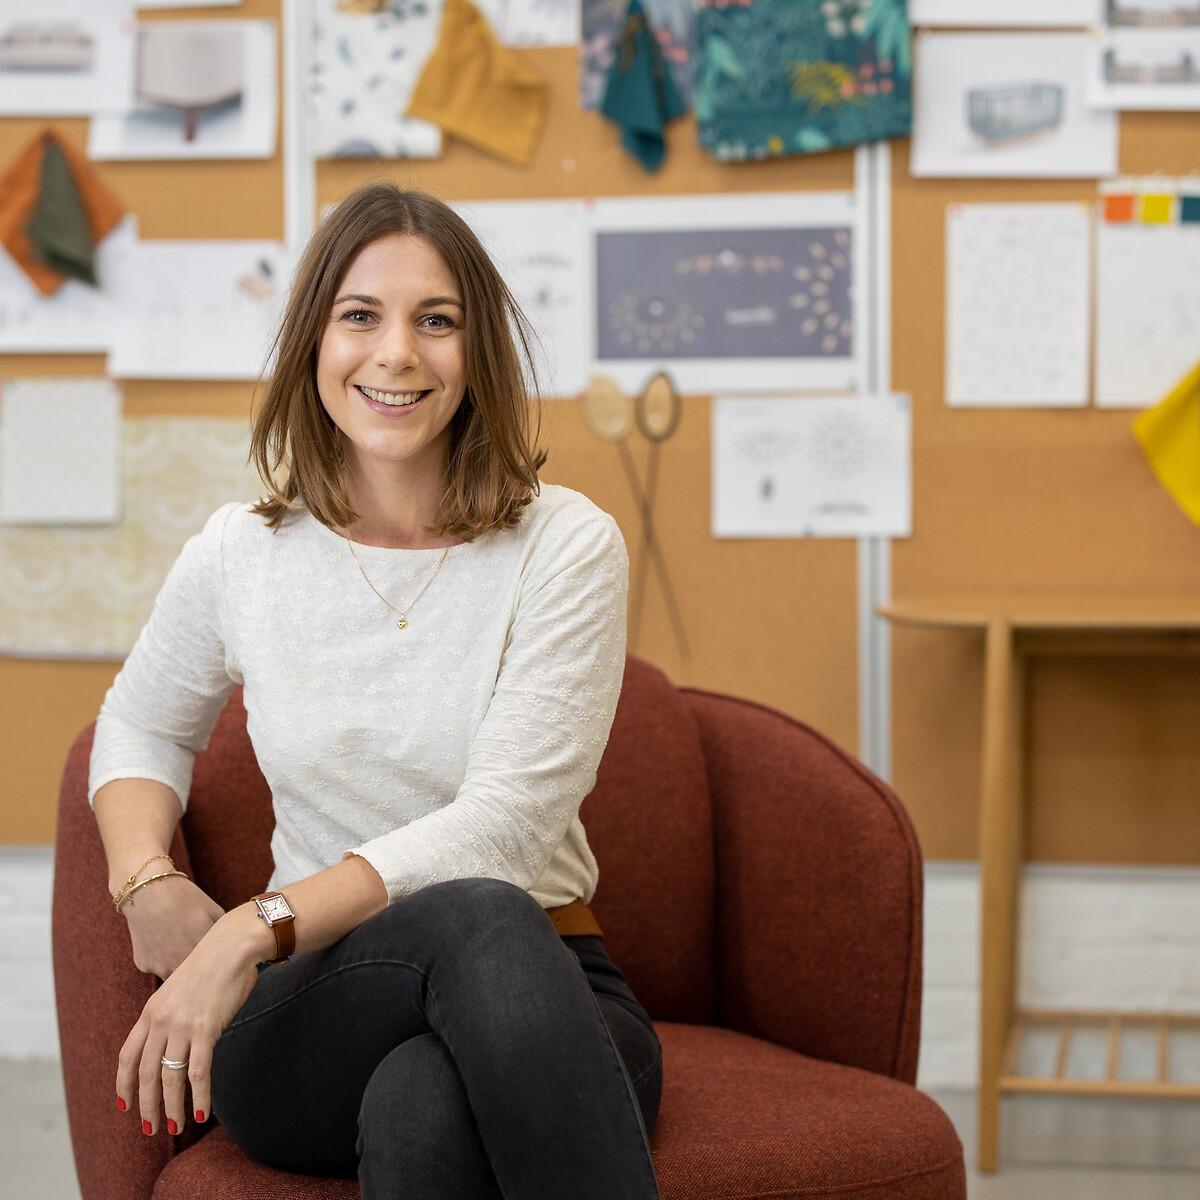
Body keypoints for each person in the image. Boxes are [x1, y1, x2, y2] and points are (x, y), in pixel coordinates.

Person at [88, 182, 663, 1199]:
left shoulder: (566, 546)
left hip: (551, 985)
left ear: (478, 352)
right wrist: (146, 877)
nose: (396, 352)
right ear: (316, 341)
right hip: (315, 1003)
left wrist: (247, 926)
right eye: (361, 315)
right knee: (475, 917)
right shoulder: (244, 551)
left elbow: (503, 829)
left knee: (425, 1093)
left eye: (435, 321)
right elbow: (140, 721)